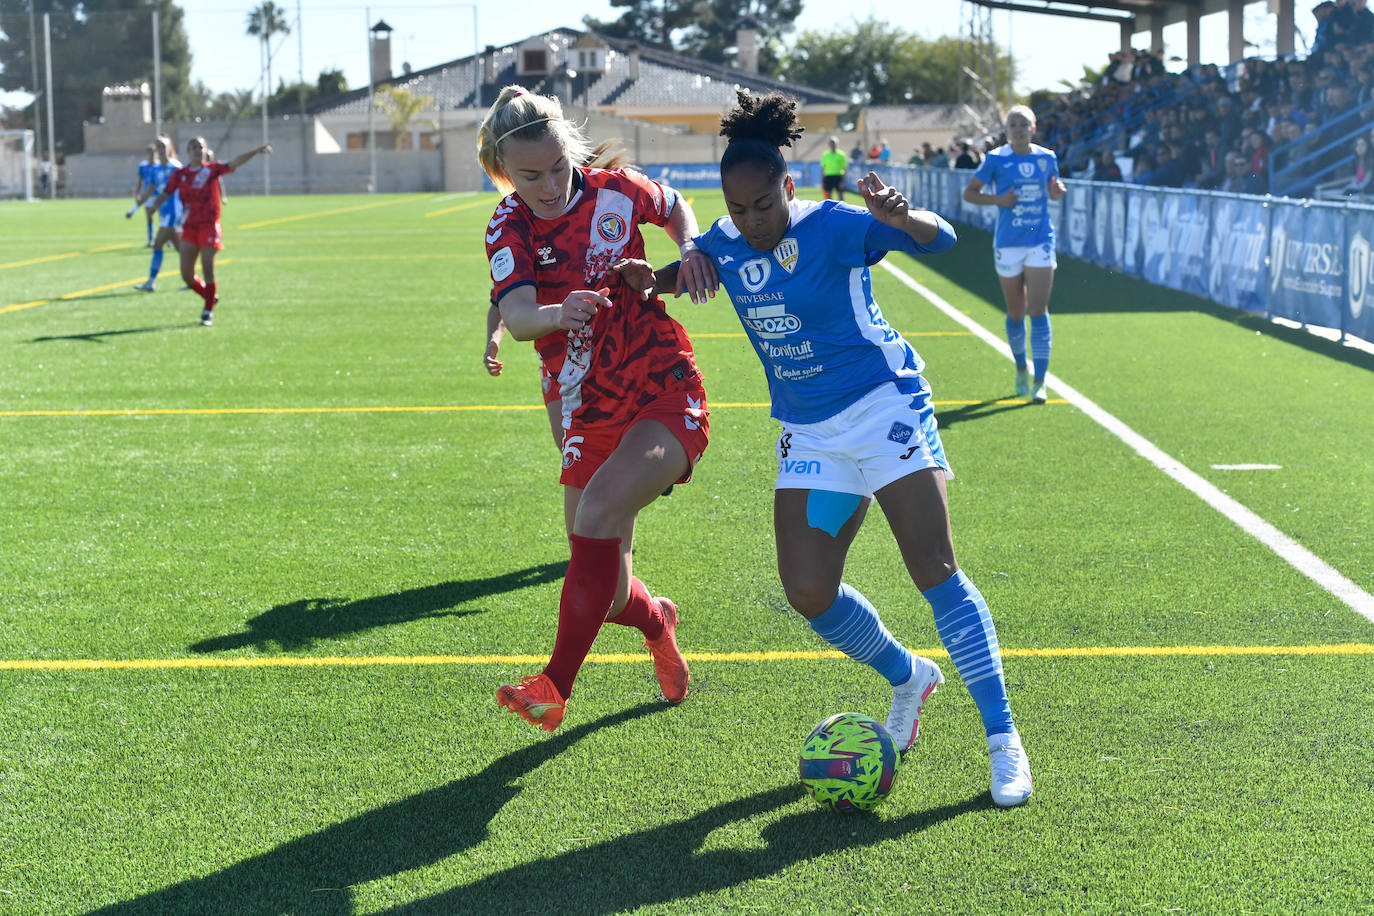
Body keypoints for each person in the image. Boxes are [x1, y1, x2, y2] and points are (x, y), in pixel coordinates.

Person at [636, 90, 1033, 807]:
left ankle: (1004, 741)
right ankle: (909, 675)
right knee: (808, 590)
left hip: (885, 406)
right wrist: (657, 277)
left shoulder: (838, 226)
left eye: (762, 204)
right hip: (811, 433)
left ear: (788, 186)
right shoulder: (724, 243)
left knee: (934, 570)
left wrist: (901, 215)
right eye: (736, 209)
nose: (750, 221)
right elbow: (678, 275)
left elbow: (942, 239)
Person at [478, 85, 718, 733]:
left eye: (558, 166)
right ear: (505, 173)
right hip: (583, 402)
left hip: (660, 381)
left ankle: (554, 686)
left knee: (597, 513)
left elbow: (677, 208)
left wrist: (689, 247)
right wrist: (564, 311)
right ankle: (656, 620)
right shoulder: (508, 226)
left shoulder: (616, 190)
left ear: (569, 149)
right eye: (531, 175)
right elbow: (522, 317)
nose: (551, 183)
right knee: (609, 592)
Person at [962, 105, 1067, 404]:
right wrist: (999, 200)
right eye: (1013, 124)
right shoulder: (995, 159)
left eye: (1024, 124)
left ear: (1033, 128)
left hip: (1040, 241)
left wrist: (1058, 191)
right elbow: (970, 193)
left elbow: (1054, 188)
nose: (1019, 129)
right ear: (1006, 131)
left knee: (1039, 309)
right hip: (1008, 242)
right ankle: (1021, 367)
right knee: (1016, 312)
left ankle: (1040, 381)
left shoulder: (1047, 157)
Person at [144, 138, 271, 327]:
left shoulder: (212, 170)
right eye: (193, 147)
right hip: (189, 228)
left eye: (200, 147)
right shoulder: (181, 174)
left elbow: (234, 162)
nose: (197, 150)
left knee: (207, 268)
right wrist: (154, 205)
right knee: (186, 274)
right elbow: (167, 192)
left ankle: (207, 311)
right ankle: (210, 297)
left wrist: (255, 151)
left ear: (205, 151)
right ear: (187, 151)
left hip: (209, 226)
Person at [128, 136, 183, 292]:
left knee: (158, 244)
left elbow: (186, 189)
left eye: (163, 146)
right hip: (164, 211)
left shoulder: (176, 168)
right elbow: (149, 192)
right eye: (158, 146)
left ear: (170, 148)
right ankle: (194, 279)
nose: (160, 149)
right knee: (181, 248)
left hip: (174, 212)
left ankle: (151, 282)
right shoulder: (155, 169)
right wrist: (133, 210)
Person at [128, 144, 157, 246]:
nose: (152, 155)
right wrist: (137, 193)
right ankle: (150, 240)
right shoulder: (143, 166)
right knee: (149, 216)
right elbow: (140, 181)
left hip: (159, 194)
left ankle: (169, 240)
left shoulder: (159, 166)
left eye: (154, 152)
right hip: (147, 195)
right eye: (150, 153)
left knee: (164, 217)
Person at [820, 136, 847, 201]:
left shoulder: (841, 154)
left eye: (834, 143)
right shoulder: (825, 155)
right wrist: (823, 180)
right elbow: (823, 168)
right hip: (828, 177)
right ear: (829, 144)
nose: (833, 144)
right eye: (831, 143)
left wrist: (843, 180)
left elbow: (845, 168)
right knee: (829, 197)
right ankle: (830, 210)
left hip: (838, 177)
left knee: (841, 196)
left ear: (837, 144)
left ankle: (842, 210)